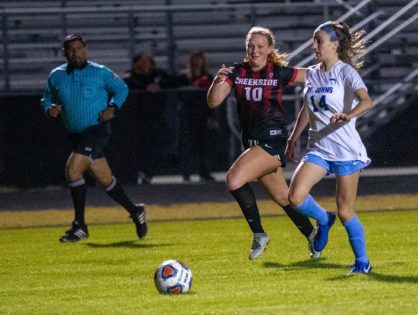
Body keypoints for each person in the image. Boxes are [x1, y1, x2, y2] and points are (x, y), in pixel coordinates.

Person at [207, 26, 318, 260]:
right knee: (283, 198)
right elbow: (214, 102)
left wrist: (336, 66)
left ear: (269, 49)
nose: (255, 50)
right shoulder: (236, 72)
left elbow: (313, 74)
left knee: (234, 179)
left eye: (260, 46)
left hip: (273, 140)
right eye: (251, 46)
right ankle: (312, 234)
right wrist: (217, 81)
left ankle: (259, 234)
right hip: (253, 143)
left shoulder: (277, 72)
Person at [40, 34, 147, 242]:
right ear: (65, 52)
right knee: (105, 179)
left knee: (72, 171)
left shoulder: (100, 72)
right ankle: (136, 211)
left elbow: (121, 89)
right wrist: (48, 108)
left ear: (85, 49)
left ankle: (79, 226)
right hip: (75, 134)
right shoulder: (56, 75)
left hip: (96, 130)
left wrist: (112, 108)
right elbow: (47, 96)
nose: (76, 53)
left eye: (79, 48)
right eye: (71, 49)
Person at [285, 21, 373, 274]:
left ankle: (362, 263)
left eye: (319, 40)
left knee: (346, 212)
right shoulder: (312, 73)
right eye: (314, 40)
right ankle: (324, 220)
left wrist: (348, 114)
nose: (314, 45)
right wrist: (293, 138)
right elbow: (307, 108)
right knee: (295, 197)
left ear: (335, 45)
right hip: (319, 149)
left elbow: (367, 101)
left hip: (346, 151)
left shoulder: (346, 72)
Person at [123, 52, 175, 185]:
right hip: (137, 119)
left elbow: (174, 80)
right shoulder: (131, 75)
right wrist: (145, 87)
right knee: (139, 147)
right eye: (143, 61)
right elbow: (125, 82)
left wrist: (160, 86)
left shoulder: (158, 74)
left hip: (156, 118)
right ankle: (140, 171)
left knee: (156, 146)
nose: (146, 64)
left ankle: (148, 171)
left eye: (148, 61)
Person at [177, 50, 216, 182]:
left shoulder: (208, 77)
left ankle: (204, 172)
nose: (198, 62)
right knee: (188, 145)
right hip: (188, 114)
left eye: (200, 59)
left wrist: (212, 115)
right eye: (195, 59)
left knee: (204, 144)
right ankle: (186, 173)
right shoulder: (184, 77)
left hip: (204, 114)